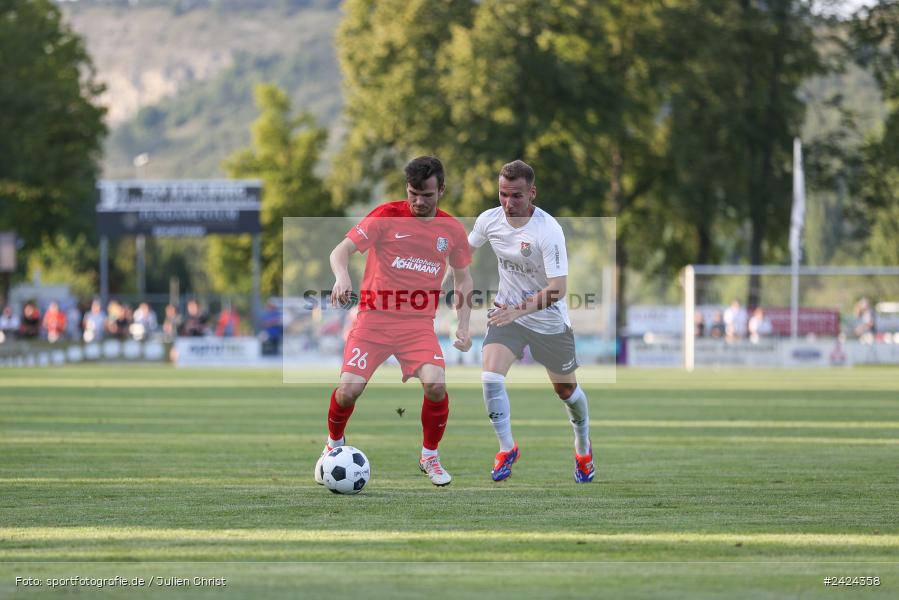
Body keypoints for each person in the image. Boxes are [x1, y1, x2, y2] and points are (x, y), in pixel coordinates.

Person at [314, 156, 473, 487]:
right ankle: (334, 444)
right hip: (373, 321)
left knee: (436, 384)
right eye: (413, 193)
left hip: (417, 327)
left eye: (427, 195)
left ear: (441, 190)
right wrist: (342, 277)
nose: (418, 201)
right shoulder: (385, 216)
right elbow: (339, 251)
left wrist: (463, 324)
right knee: (347, 392)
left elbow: (464, 280)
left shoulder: (452, 231)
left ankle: (430, 454)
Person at [468, 160, 594, 483]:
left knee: (566, 391)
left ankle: (582, 448)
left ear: (532, 193)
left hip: (548, 323)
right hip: (507, 315)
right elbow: (462, 253)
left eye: (516, 196)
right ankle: (507, 448)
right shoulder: (489, 221)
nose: (508, 203)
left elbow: (559, 288)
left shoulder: (548, 230)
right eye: (503, 195)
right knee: (490, 377)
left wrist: (517, 310)